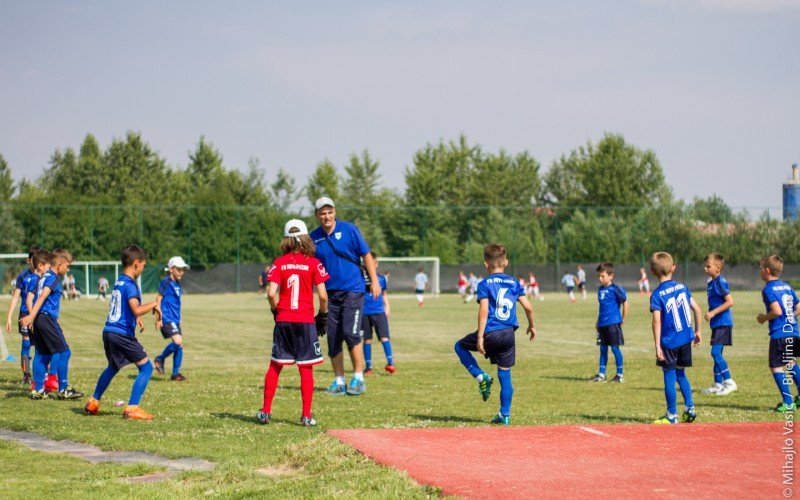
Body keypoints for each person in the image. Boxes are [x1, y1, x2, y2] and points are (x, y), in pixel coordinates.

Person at [454, 243, 536, 425]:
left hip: (491, 331)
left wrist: (480, 336)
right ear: (506, 262)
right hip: (509, 334)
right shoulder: (514, 283)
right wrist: (532, 326)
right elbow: (528, 307)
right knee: (505, 374)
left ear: (486, 264)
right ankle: (504, 414)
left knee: (459, 346)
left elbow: (484, 310)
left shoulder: (484, 284)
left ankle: (481, 376)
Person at [260, 220, 329, 427]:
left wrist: (275, 310)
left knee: (275, 365)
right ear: (306, 238)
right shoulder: (314, 263)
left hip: (284, 320)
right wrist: (322, 315)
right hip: (305, 321)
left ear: (286, 240)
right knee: (306, 368)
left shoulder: (279, 262)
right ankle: (306, 416)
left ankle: (265, 412)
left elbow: (271, 293)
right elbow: (323, 296)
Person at [310, 197, 380, 396]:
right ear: (317, 215)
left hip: (352, 290)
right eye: (323, 213)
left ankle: (358, 378)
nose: (327, 216)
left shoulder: (349, 230)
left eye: (330, 212)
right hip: (329, 294)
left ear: (335, 212)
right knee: (333, 337)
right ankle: (339, 381)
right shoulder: (313, 238)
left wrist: (374, 281)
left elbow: (366, 255)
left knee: (350, 332)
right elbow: (310, 265)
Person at [84, 245, 161, 420]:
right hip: (122, 334)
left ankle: (93, 401)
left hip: (109, 331)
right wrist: (154, 304)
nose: (143, 269)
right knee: (146, 368)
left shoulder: (119, 282)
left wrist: (136, 318)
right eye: (143, 265)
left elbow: (124, 307)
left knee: (113, 366)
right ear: (136, 263)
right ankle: (132, 408)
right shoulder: (131, 285)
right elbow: (136, 308)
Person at [20, 248, 83, 400]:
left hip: (39, 319)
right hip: (46, 318)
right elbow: (42, 296)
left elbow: (33, 297)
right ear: (60, 263)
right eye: (67, 266)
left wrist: (33, 317)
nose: (68, 269)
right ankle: (63, 389)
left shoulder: (43, 277)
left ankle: (38, 389)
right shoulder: (53, 278)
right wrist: (31, 316)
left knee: (44, 354)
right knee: (64, 352)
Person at [649, 252, 701, 424]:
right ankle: (690, 408)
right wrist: (698, 331)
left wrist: (657, 346)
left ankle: (672, 415)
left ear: (652, 272)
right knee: (681, 374)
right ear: (673, 268)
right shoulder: (683, 288)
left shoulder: (657, 294)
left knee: (669, 376)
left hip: (669, 342)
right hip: (685, 339)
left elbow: (656, 321)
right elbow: (697, 310)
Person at [756, 255, 800, 413]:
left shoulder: (768, 289)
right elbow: (798, 307)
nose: (759, 271)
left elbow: (776, 311)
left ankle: (788, 403)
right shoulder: (787, 287)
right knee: (790, 362)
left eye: (760, 268)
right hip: (793, 331)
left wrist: (763, 318)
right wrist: (790, 318)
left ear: (767, 270)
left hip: (780, 334)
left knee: (775, 366)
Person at [701, 252, 737, 396]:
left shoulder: (720, 282)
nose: (705, 269)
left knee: (715, 352)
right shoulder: (712, 282)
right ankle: (718, 384)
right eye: (705, 266)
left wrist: (713, 313)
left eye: (708, 266)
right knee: (717, 353)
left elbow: (730, 302)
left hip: (723, 322)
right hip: (717, 324)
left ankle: (729, 382)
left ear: (718, 268)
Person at [4, 246, 40, 385]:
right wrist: (9, 318)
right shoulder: (22, 277)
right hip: (25, 313)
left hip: (39, 314)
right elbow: (15, 298)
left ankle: (42, 375)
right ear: (28, 261)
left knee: (41, 345)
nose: (36, 263)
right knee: (26, 343)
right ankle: (26, 375)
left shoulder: (43, 276)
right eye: (33, 260)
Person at [154, 256, 191, 382]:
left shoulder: (177, 284)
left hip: (175, 319)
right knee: (178, 341)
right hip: (166, 317)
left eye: (183, 269)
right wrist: (158, 317)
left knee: (180, 345)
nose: (182, 272)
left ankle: (175, 374)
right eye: (179, 269)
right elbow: (158, 299)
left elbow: (175, 302)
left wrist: (179, 318)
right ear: (171, 269)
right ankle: (160, 359)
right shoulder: (166, 282)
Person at [590, 262, 628, 383]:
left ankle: (620, 375)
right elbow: (602, 307)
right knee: (603, 349)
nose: (600, 279)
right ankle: (602, 374)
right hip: (602, 324)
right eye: (598, 276)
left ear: (611, 276)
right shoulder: (600, 290)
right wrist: (598, 321)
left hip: (613, 324)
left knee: (615, 349)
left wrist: (623, 319)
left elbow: (625, 303)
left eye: (603, 276)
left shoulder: (616, 289)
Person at [361, 252, 394, 375]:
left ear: (376, 264)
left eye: (372, 263)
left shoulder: (381, 278)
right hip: (364, 312)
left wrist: (388, 306)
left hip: (379, 311)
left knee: (384, 337)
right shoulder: (361, 278)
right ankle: (368, 367)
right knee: (367, 339)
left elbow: (384, 294)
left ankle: (390, 363)